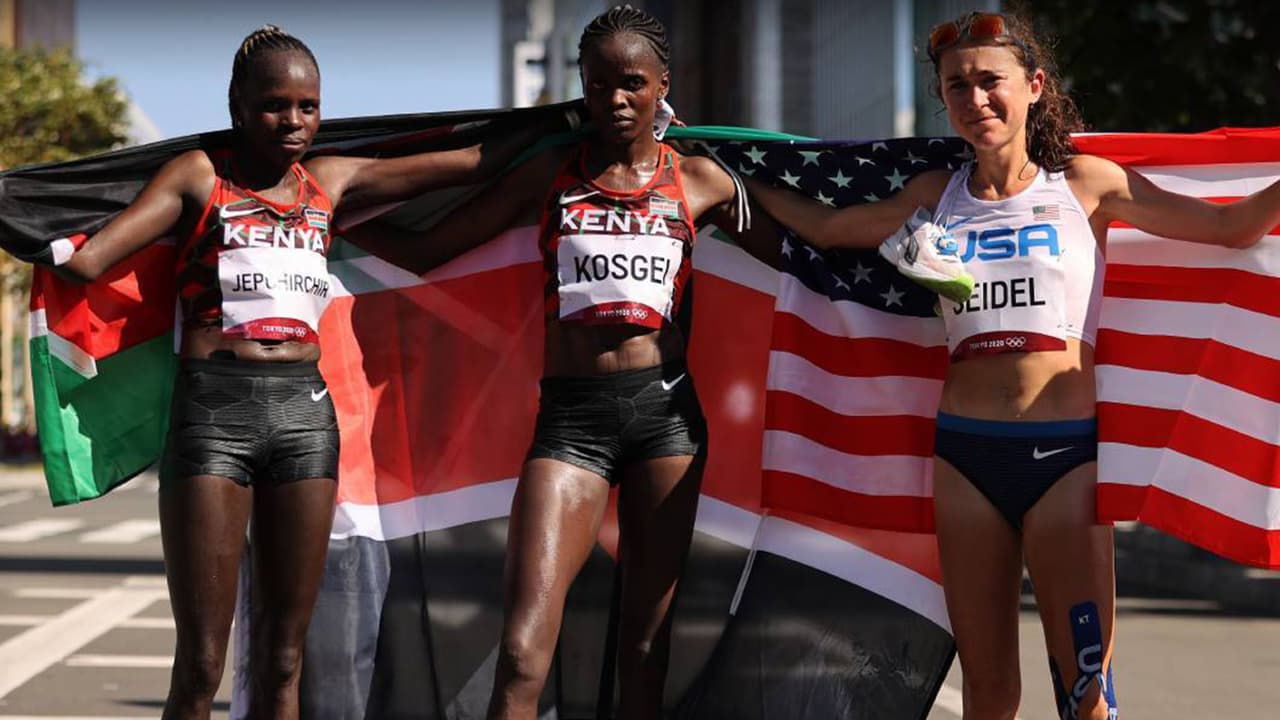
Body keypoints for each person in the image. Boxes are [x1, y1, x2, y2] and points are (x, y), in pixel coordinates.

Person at [20, 25, 563, 720]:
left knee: (285, 657)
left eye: (308, 106)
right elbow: (94, 260)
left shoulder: (329, 181)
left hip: (305, 418)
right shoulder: (198, 176)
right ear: (237, 106)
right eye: (276, 105)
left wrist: (558, 127)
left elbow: (466, 164)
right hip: (214, 415)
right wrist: (31, 222)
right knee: (202, 664)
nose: (294, 122)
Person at [744, 10, 1273, 720]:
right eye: (956, 86)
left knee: (1086, 696)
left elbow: (1229, 228)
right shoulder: (937, 194)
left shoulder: (1084, 183)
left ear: (1034, 85)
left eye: (990, 80)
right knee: (990, 696)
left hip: (1066, 459)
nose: (975, 98)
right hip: (965, 457)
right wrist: (721, 185)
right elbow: (827, 229)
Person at [369, 6, 748, 718]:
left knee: (645, 650)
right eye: (597, 83)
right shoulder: (551, 172)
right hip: (572, 424)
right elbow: (430, 248)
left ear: (664, 84)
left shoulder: (703, 181)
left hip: (667, 422)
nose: (614, 99)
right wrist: (325, 214)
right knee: (521, 654)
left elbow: (805, 247)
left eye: (632, 82)